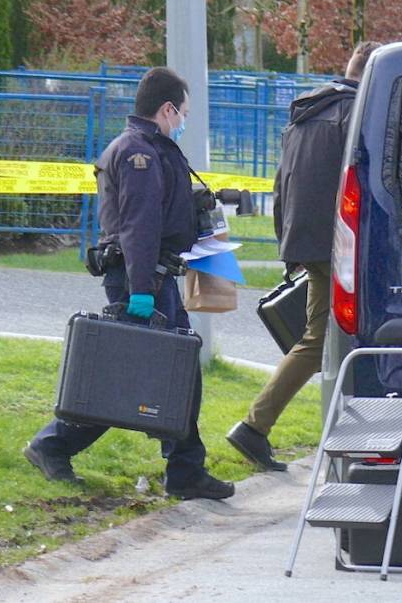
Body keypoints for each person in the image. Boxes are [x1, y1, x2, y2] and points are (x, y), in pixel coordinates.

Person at [24, 67, 234, 501]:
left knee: (174, 374)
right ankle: (52, 445)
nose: (183, 121)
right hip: (142, 278)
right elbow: (139, 225)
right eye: (183, 113)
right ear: (167, 108)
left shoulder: (152, 148)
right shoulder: (138, 153)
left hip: (152, 275)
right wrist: (141, 289)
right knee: (127, 376)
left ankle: (185, 469)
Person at [226, 42, 382, 470]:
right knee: (339, 338)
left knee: (321, 340)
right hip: (342, 245)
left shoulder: (304, 115)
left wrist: (287, 244)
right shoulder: (355, 114)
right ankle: (256, 427)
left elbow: (282, 184)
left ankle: (257, 427)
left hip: (308, 241)